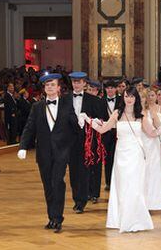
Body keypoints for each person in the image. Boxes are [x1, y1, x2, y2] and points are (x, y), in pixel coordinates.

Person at [85, 86, 161, 232]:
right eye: (127, 96)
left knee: (135, 186)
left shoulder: (141, 116)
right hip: (121, 156)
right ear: (123, 98)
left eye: (132, 96)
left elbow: (152, 133)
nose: (129, 99)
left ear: (136, 98)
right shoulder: (116, 114)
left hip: (136, 155)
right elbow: (103, 129)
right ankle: (121, 218)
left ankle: (136, 218)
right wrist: (89, 120)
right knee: (122, 185)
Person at [18, 73, 81, 233]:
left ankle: (57, 218)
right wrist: (23, 146)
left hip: (61, 153)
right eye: (47, 85)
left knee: (57, 183)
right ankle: (51, 218)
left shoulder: (67, 105)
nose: (50, 87)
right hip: (43, 153)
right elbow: (29, 127)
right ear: (44, 88)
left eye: (53, 84)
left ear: (59, 88)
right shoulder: (37, 107)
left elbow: (73, 127)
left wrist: (79, 123)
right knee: (48, 186)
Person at [68, 71, 101, 213]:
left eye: (79, 82)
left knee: (85, 171)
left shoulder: (93, 100)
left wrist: (89, 120)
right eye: (74, 82)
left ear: (84, 83)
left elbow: (101, 120)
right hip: (70, 142)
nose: (76, 84)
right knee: (73, 172)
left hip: (88, 141)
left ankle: (82, 201)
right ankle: (76, 198)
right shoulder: (64, 100)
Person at [101, 80, 121, 190]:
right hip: (106, 133)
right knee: (107, 158)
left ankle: (118, 182)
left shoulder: (121, 100)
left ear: (116, 89)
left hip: (119, 132)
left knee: (118, 157)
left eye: (112, 88)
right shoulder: (101, 101)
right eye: (108, 88)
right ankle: (108, 182)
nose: (110, 90)